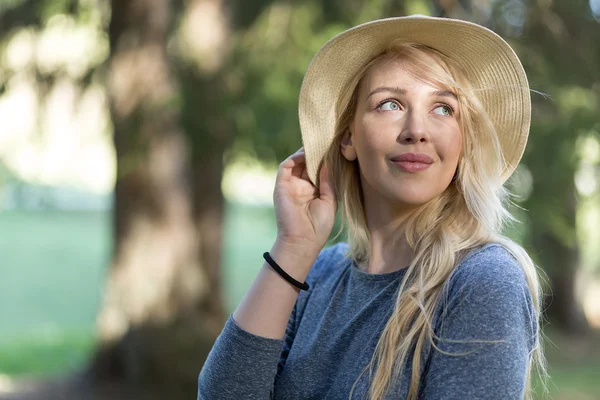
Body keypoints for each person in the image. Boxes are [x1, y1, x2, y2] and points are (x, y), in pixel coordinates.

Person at [198, 15, 547, 400]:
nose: (417, 129)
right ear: (347, 137)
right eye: (390, 104)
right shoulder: (319, 275)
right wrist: (293, 248)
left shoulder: (482, 281)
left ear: (464, 141)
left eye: (444, 109)